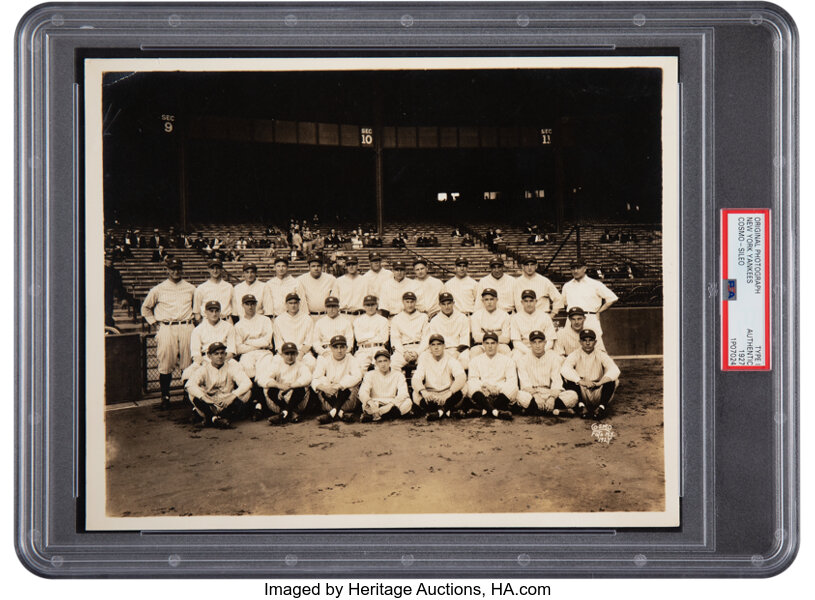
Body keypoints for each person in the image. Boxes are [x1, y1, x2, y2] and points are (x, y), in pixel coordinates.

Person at [140, 258, 196, 409]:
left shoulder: (191, 288)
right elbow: (145, 308)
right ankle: (165, 396)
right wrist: (154, 322)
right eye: (172, 268)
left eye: (178, 268)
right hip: (167, 327)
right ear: (167, 270)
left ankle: (188, 395)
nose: (175, 271)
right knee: (166, 362)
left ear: (182, 269)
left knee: (188, 363)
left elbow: (196, 308)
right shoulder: (158, 289)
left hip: (186, 326)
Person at [185, 342, 252, 428]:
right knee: (192, 393)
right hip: (210, 403)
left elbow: (247, 382)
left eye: (222, 353)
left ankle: (212, 419)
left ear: (226, 354)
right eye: (216, 354)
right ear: (209, 356)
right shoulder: (204, 369)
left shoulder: (231, 367)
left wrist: (232, 396)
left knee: (247, 392)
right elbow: (189, 385)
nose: (220, 356)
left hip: (227, 401)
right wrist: (205, 398)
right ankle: (219, 418)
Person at [560, 329, 620, 419]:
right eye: (584, 340)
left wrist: (600, 382)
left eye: (590, 340)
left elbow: (615, 369)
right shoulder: (575, 354)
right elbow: (565, 369)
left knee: (612, 379)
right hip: (581, 391)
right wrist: (580, 381)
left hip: (597, 390)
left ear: (595, 342)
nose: (587, 343)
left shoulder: (600, 354)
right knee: (568, 378)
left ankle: (601, 408)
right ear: (580, 342)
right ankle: (581, 406)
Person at [516, 331, 577, 416]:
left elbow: (557, 382)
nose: (537, 345)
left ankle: (535, 410)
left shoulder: (553, 357)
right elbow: (525, 384)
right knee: (520, 395)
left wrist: (552, 398)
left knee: (572, 396)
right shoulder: (523, 360)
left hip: (549, 392)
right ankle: (554, 411)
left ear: (545, 342)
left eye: (540, 342)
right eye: (534, 342)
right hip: (532, 394)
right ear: (530, 344)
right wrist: (536, 396)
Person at [233, 294, 273, 417]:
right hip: (248, 354)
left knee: (263, 370)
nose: (250, 306)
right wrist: (257, 344)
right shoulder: (238, 325)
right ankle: (255, 402)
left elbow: (267, 341)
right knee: (245, 367)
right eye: (247, 304)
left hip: (264, 352)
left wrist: (248, 342)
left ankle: (262, 403)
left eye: (252, 303)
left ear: (256, 305)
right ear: (242, 305)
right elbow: (239, 348)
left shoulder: (265, 320)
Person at [411, 334, 467, 421]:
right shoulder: (424, 360)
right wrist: (424, 392)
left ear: (444, 346)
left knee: (464, 388)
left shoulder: (450, 359)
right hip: (431, 395)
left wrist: (450, 392)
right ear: (429, 347)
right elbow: (416, 379)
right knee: (416, 394)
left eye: (439, 344)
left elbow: (461, 377)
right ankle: (446, 411)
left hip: (447, 394)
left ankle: (439, 412)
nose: (436, 347)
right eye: (433, 345)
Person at [256, 342, 313, 425]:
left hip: (296, 400)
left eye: (292, 353)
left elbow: (307, 378)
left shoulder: (301, 365)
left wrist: (290, 387)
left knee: (301, 388)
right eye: (287, 353)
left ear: (297, 354)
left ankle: (283, 414)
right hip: (280, 399)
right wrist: (278, 385)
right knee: (271, 389)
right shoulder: (276, 365)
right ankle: (290, 412)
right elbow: (261, 379)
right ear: (282, 355)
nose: (290, 356)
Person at [560, 257, 619, 336]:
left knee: (593, 345)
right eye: (573, 268)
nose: (575, 271)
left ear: (585, 268)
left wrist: (599, 311)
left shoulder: (595, 284)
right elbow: (565, 303)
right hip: (572, 319)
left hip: (590, 318)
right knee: (570, 345)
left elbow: (612, 298)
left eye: (578, 268)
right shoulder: (567, 286)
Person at [183, 300, 237, 384]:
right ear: (205, 312)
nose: (214, 314)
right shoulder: (198, 330)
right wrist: (209, 364)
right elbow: (196, 354)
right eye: (211, 311)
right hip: (205, 360)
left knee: (239, 369)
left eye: (216, 311)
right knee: (187, 373)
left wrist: (220, 361)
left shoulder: (229, 327)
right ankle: (189, 396)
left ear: (220, 312)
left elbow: (231, 351)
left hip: (224, 359)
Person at [312, 335, 363, 424]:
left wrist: (339, 386)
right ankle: (339, 413)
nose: (339, 350)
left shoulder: (351, 359)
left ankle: (331, 414)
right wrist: (325, 388)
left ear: (346, 348)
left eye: (342, 347)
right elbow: (314, 379)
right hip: (329, 399)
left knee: (350, 381)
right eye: (336, 347)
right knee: (322, 381)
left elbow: (358, 376)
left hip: (348, 401)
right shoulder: (324, 359)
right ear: (331, 348)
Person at [466, 333, 516, 420]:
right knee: (470, 384)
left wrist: (497, 388)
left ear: (497, 344)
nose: (490, 346)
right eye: (487, 343)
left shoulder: (508, 360)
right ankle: (495, 411)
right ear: (483, 344)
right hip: (483, 391)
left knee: (513, 387)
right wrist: (486, 386)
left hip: (500, 392)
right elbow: (473, 379)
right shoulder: (475, 360)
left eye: (493, 343)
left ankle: (483, 411)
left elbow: (512, 381)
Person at [359, 350, 412, 422]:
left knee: (408, 402)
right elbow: (362, 392)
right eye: (380, 361)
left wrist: (389, 406)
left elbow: (403, 393)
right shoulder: (370, 374)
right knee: (365, 405)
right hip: (376, 402)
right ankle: (389, 415)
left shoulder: (398, 374)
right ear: (376, 363)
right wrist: (371, 403)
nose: (383, 364)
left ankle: (377, 415)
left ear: (390, 361)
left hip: (392, 403)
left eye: (385, 361)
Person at [272, 292, 316, 370]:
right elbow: (278, 342)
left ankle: (305, 382)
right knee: (276, 362)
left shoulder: (307, 319)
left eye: (295, 303)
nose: (293, 305)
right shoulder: (279, 320)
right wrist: (287, 356)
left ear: (299, 303)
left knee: (311, 362)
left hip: (302, 352)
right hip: (285, 353)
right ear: (286, 304)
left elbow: (308, 342)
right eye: (290, 303)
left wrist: (300, 354)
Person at [427, 292, 471, 369]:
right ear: (439, 305)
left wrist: (456, 353)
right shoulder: (435, 320)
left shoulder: (462, 318)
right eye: (443, 304)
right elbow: (434, 341)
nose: (447, 307)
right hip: (442, 350)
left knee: (464, 364)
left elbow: (464, 339)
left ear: (453, 303)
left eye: (449, 303)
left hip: (460, 350)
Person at [510, 289, 558, 360]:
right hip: (523, 349)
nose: (529, 304)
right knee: (515, 358)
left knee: (556, 358)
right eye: (526, 301)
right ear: (522, 302)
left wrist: (541, 351)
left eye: (531, 301)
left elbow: (550, 340)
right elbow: (516, 342)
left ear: (536, 301)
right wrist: (530, 352)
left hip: (543, 348)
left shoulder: (545, 316)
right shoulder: (515, 318)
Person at [389, 291, 429, 372]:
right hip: (403, 350)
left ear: (415, 302)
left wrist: (417, 352)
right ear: (403, 302)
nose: (410, 305)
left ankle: (419, 383)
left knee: (426, 361)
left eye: (412, 302)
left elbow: (426, 338)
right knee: (392, 364)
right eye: (407, 302)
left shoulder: (423, 317)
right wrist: (404, 353)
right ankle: (399, 384)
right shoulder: (397, 318)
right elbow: (395, 339)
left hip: (419, 348)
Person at [470, 288, 511, 357]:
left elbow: (506, 339)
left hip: (499, 345)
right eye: (486, 299)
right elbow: (476, 338)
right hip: (482, 345)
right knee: (475, 351)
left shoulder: (504, 315)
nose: (489, 302)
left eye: (491, 299)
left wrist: (484, 334)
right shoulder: (476, 315)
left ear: (496, 300)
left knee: (505, 349)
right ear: (482, 301)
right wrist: (497, 334)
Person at [352, 295, 390, 368]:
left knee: (380, 369)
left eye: (372, 304)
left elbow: (384, 338)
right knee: (359, 369)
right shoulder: (358, 320)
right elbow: (359, 338)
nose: (370, 307)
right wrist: (374, 334)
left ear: (376, 305)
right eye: (368, 305)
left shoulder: (383, 320)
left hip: (379, 348)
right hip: (363, 350)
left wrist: (365, 336)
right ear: (364, 306)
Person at [296, 254, 336, 320]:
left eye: (318, 266)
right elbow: (301, 299)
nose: (316, 268)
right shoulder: (301, 279)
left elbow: (336, 297)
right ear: (309, 267)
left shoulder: (331, 279)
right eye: (313, 266)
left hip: (326, 316)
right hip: (309, 316)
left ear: (322, 267)